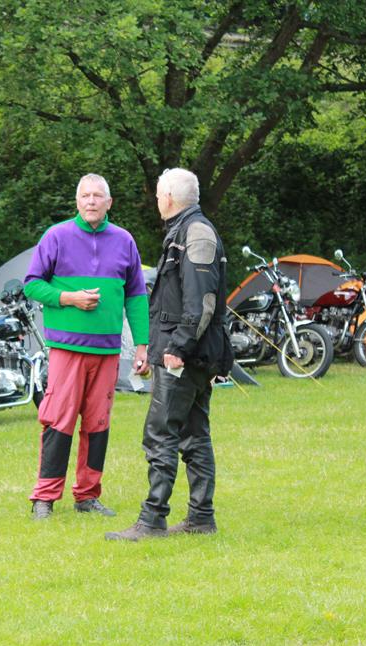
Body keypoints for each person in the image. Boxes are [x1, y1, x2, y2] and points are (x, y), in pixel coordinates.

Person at [106, 168, 233, 541]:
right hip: (189, 352)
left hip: (186, 356)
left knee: (161, 432)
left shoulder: (196, 233)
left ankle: (152, 520)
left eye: (159, 193)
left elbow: (202, 302)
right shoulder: (184, 231)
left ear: (170, 198)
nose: (157, 199)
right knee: (193, 434)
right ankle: (200, 518)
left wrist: (178, 347)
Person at [24, 174, 149, 520]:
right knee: (59, 420)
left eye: (97, 196)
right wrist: (69, 298)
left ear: (109, 203)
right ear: (77, 201)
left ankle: (88, 496)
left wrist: (142, 345)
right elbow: (32, 284)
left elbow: (137, 295)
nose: (91, 201)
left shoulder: (124, 241)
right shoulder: (57, 236)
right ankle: (44, 498)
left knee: (98, 423)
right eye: (85, 196)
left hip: (107, 352)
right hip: (67, 348)